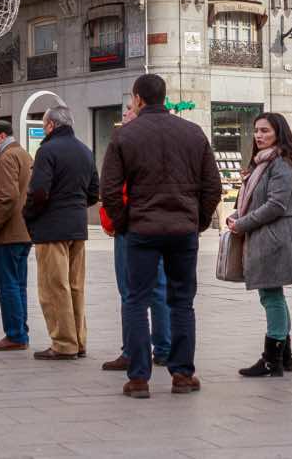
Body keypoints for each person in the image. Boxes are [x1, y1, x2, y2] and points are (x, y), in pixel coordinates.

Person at [101, 72, 222, 399]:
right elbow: (213, 186)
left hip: (142, 228)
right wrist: (198, 220)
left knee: (137, 300)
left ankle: (139, 378)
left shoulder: (125, 136)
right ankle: (182, 374)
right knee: (182, 301)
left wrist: (124, 220)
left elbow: (109, 189)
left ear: (138, 99)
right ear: (164, 97)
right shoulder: (193, 133)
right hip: (182, 229)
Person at [99, 98, 173, 373]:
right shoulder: (171, 136)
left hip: (133, 226)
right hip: (165, 223)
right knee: (159, 287)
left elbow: (112, 186)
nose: (125, 115)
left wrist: (117, 220)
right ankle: (163, 349)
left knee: (131, 292)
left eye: (129, 109)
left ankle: (132, 351)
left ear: (140, 106)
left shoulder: (125, 140)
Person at [229, 112, 292, 379]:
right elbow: (256, 201)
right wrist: (236, 214)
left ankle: (272, 359)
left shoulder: (280, 164)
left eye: (265, 131)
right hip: (267, 236)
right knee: (273, 295)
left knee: (271, 296)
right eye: (257, 130)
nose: (259, 136)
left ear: (279, 134)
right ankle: (284, 356)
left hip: (274, 238)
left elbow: (276, 205)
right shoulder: (264, 162)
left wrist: (243, 223)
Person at [25, 104, 99, 361]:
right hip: (77, 227)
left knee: (54, 286)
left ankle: (63, 343)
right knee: (75, 286)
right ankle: (79, 340)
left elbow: (39, 191)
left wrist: (29, 214)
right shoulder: (85, 150)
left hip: (51, 227)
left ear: (51, 125)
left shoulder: (47, 151)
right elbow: (93, 192)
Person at [0, 119, 34, 352]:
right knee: (18, 284)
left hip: (9, 233)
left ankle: (15, 334)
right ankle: (20, 331)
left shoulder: (7, 157)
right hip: (23, 232)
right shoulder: (23, 155)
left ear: (1, 136)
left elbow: (7, 196)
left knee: (7, 284)